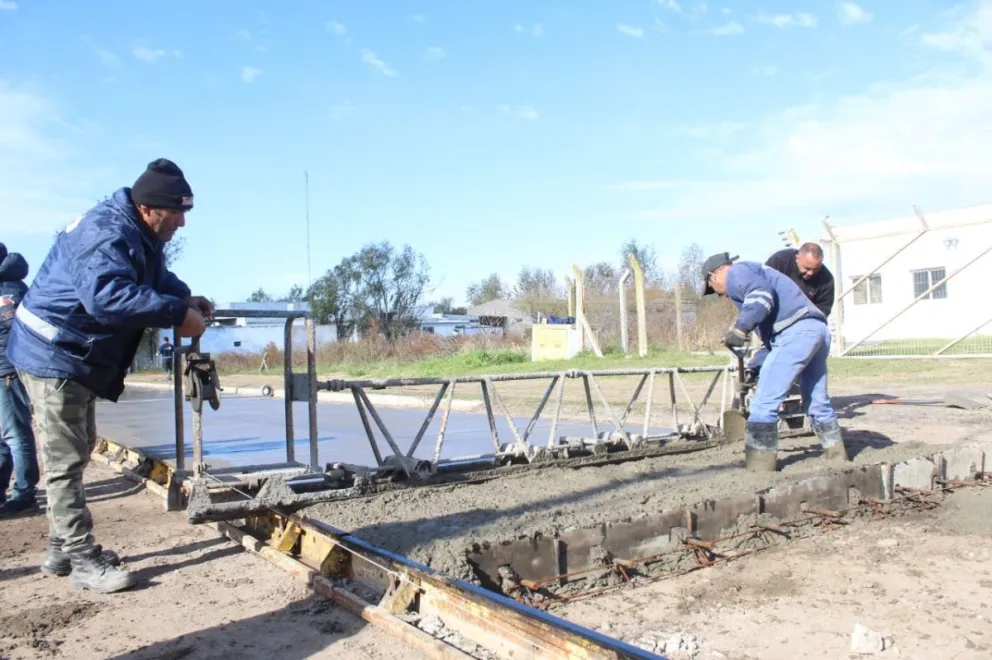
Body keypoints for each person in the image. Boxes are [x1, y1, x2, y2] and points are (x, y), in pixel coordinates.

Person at [7, 158, 214, 594]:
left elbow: (152, 276)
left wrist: (184, 297)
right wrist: (176, 314)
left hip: (72, 355)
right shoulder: (105, 232)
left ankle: (62, 548)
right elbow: (107, 296)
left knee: (79, 449)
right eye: (175, 213)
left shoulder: (138, 231)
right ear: (147, 207)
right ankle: (83, 560)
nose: (181, 222)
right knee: (65, 460)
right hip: (51, 353)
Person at [702, 252, 848, 472]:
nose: (721, 295)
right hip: (815, 330)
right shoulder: (759, 272)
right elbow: (775, 340)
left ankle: (760, 469)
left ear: (715, 274)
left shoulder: (737, 272)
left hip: (796, 333)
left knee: (763, 404)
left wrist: (741, 328)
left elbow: (761, 296)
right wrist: (754, 367)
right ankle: (837, 457)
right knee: (818, 402)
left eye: (714, 289)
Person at [0, 243, 39, 518]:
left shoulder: (9, 291)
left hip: (7, 371)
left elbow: (16, 331)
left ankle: (24, 494)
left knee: (16, 434)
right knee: (4, 436)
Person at [765, 243, 835, 317]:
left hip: (803, 319)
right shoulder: (779, 261)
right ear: (797, 258)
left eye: (815, 269)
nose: (810, 273)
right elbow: (764, 286)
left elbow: (823, 309)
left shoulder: (827, 279)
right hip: (772, 312)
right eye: (807, 268)